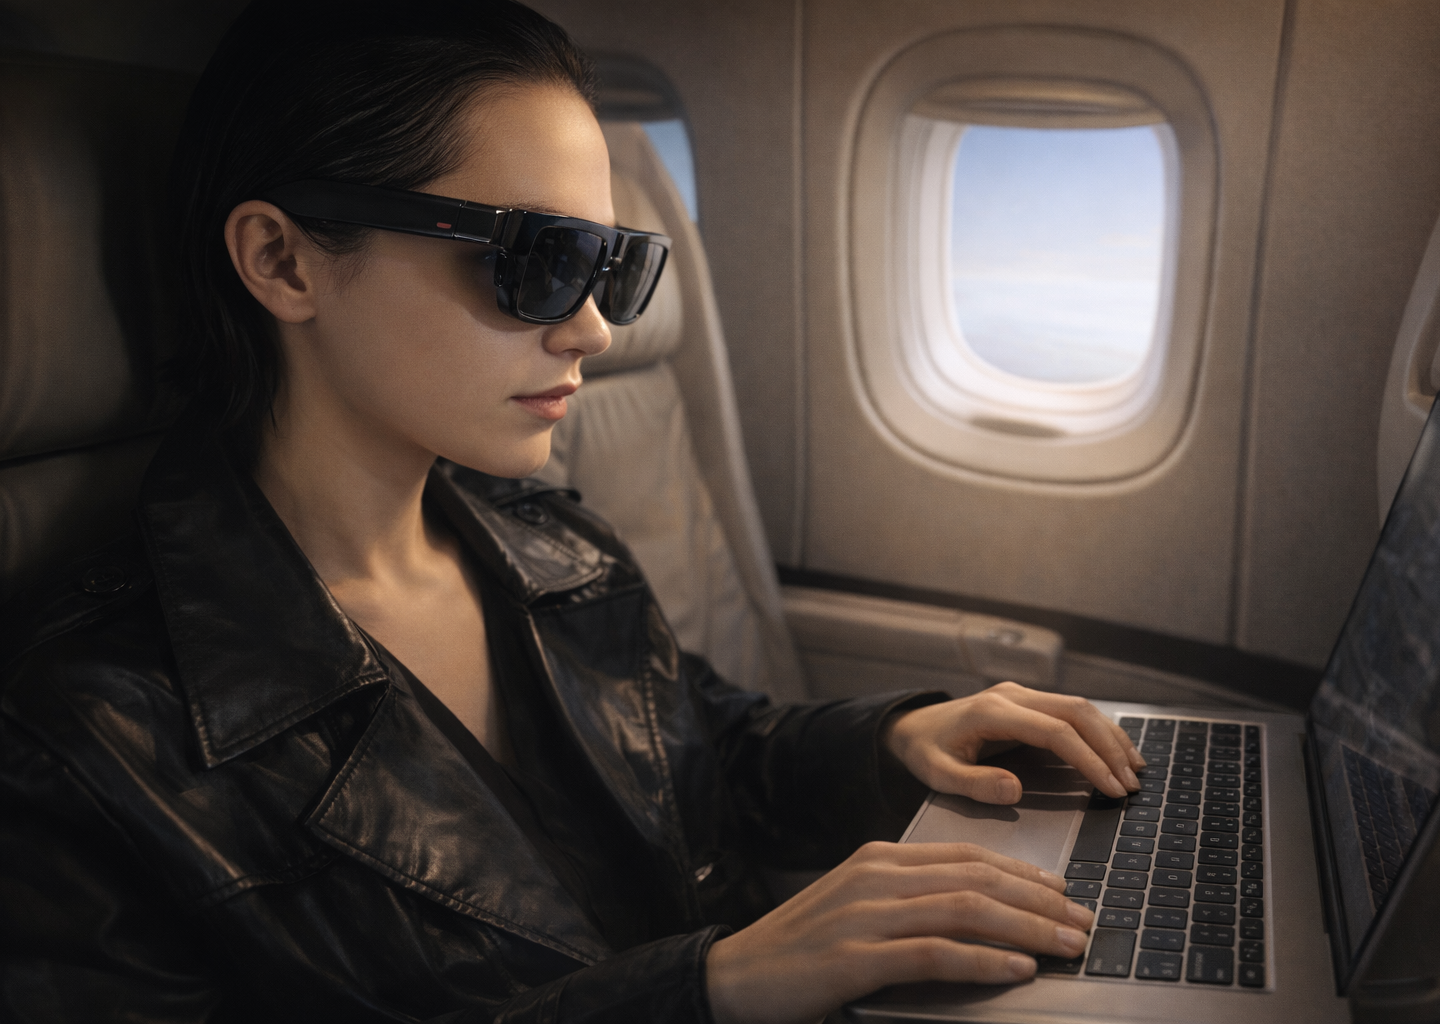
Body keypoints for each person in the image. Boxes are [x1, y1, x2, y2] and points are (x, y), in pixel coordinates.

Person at [0, 2, 1145, 1021]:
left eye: (610, 265)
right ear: (283, 262)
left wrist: (892, 742)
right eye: (539, 259)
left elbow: (698, 757)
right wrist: (708, 988)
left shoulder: (550, 543)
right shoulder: (88, 741)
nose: (594, 328)